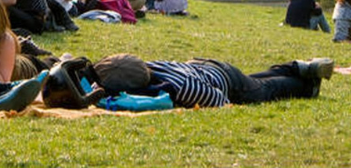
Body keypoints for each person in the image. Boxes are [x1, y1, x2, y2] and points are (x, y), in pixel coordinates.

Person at [93, 52, 334, 108]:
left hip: (226, 82)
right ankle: (296, 67)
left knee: (264, 89)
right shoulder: (149, 67)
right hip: (204, 67)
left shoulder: (182, 89)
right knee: (258, 78)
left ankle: (306, 84)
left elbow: (221, 101)